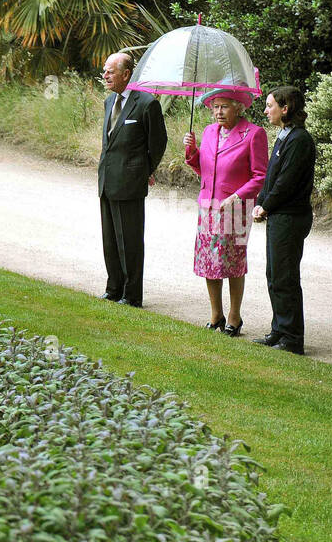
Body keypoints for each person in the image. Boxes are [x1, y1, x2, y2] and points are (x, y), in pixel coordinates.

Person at [184, 88, 269, 336]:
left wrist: (236, 196)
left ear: (238, 108)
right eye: (215, 106)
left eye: (224, 106)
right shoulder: (210, 131)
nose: (218, 112)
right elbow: (205, 169)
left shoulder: (254, 134)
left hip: (236, 208)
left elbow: (260, 177)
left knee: (232, 262)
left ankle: (234, 315)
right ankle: (216, 314)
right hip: (208, 206)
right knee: (208, 261)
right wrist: (191, 151)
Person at [97, 52, 168, 308]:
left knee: (130, 241)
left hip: (130, 183)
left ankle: (132, 295)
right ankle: (113, 288)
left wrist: (145, 170)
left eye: (110, 71)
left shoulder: (147, 104)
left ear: (126, 74)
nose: (105, 75)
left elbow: (158, 143)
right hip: (107, 181)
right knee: (110, 240)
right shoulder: (108, 102)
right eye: (104, 71)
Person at [253, 86, 316, 355]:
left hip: (290, 217)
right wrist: (259, 202)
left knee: (285, 276)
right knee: (274, 274)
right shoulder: (283, 136)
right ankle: (279, 329)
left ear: (285, 108)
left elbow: (286, 183)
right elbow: (271, 178)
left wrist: (265, 206)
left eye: (270, 105)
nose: (266, 110)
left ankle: (292, 338)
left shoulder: (300, 140)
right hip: (278, 215)